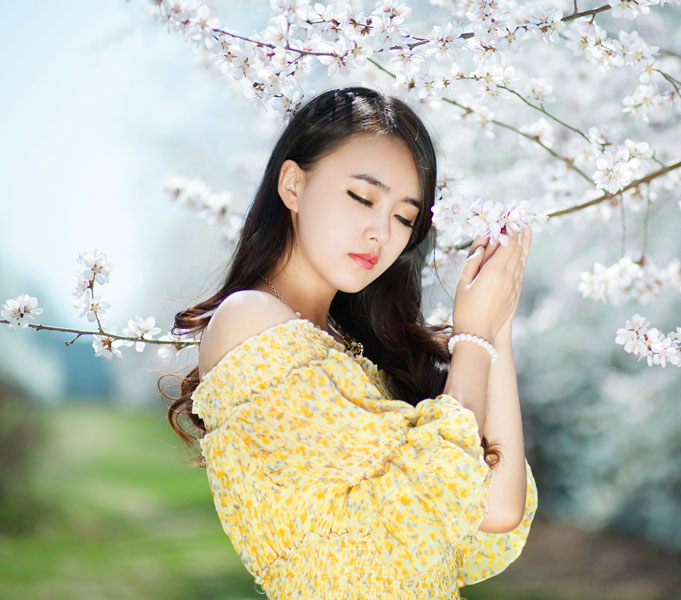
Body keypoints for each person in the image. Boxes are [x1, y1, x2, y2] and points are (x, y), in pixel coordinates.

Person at [159, 85, 537, 599]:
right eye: (362, 197)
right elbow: (433, 495)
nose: (380, 233)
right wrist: (472, 336)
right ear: (292, 185)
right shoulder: (249, 321)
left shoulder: (359, 355)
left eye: (405, 217)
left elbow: (497, 509)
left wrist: (496, 323)